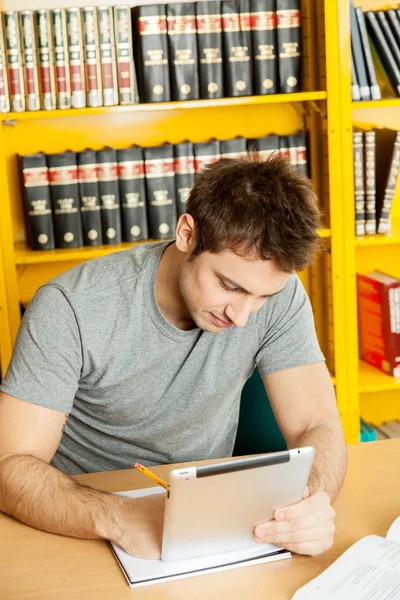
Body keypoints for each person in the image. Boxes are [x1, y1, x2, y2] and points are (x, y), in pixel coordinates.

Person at [0, 155, 346, 560]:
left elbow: (317, 423)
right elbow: (10, 465)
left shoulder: (278, 295)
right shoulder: (70, 307)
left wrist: (312, 503)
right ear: (187, 234)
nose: (242, 316)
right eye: (228, 285)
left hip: (208, 522)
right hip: (80, 519)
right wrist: (121, 517)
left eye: (262, 296)